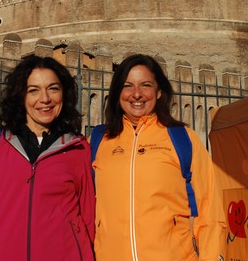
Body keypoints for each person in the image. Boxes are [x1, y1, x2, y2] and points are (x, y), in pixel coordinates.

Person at [0, 55, 95, 260]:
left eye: (53, 88)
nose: (45, 99)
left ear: (64, 95)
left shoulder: (78, 148)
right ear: (21, 96)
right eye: (33, 90)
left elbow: (88, 218)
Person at [93, 54, 226, 260]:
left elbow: (210, 211)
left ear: (159, 91)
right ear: (118, 92)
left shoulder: (182, 138)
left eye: (146, 85)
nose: (136, 94)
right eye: (128, 86)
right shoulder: (100, 141)